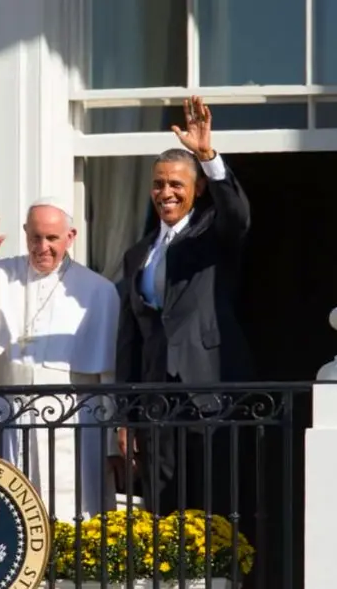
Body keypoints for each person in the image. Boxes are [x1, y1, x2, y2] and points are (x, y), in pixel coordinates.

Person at [115, 96, 253, 518]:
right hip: (157, 396)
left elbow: (238, 215)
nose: (166, 192)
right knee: (161, 504)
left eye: (176, 184)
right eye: (158, 184)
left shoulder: (210, 234)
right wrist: (125, 415)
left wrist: (207, 155)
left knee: (212, 500)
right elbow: (131, 339)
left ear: (197, 189)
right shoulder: (138, 253)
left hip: (208, 390)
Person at [0, 199, 119, 521]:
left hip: (71, 425)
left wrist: (112, 444)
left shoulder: (98, 291)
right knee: (5, 516)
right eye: (35, 237)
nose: (42, 247)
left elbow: (108, 376)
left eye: (52, 238)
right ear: (25, 233)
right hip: (6, 418)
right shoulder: (0, 275)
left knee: (70, 513)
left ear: (71, 236)